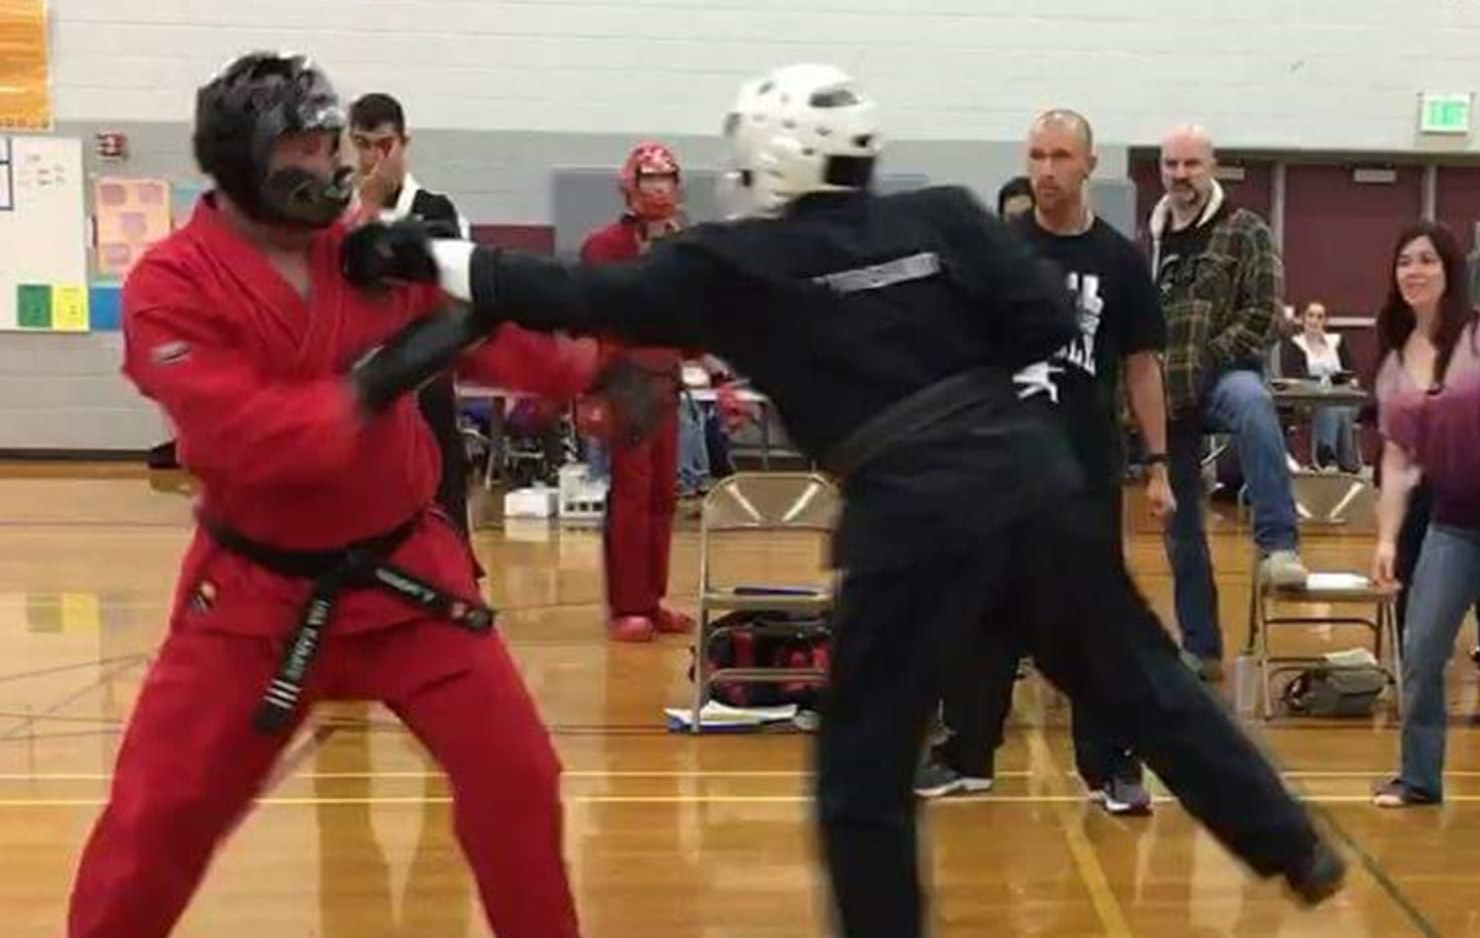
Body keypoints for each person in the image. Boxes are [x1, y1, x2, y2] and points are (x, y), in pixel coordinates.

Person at [345, 62, 1345, 938]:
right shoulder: (947, 215)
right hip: (1029, 475)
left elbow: (568, 292)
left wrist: (411, 251)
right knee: (1141, 681)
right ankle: (1292, 845)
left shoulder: (735, 262)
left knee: (864, 773)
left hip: (909, 514)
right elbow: (1044, 319)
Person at [63, 51, 661, 938]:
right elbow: (243, 432)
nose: (331, 163)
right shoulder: (171, 284)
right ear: (242, 163)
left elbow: (495, 341)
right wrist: (378, 380)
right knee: (158, 822)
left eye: (330, 139)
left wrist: (596, 369)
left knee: (519, 779)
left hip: (405, 575)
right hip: (253, 600)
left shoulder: (367, 246)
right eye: (302, 147)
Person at [915, 110, 1175, 816]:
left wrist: (1157, 462)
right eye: (1036, 155)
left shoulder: (1120, 261)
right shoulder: (1001, 252)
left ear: (1089, 165)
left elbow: (1143, 367)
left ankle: (1110, 765)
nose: (1047, 170)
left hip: (1082, 470)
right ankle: (966, 754)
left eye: (1062, 156)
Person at [1151, 124, 1308, 680]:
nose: (1180, 175)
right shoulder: (1153, 239)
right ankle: (1201, 646)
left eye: (1191, 164)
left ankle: (1280, 545)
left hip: (1222, 376)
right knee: (1180, 527)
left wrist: (1206, 357)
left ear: (1212, 166)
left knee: (1253, 405)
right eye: (1171, 164)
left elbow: (1264, 315)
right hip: (1164, 396)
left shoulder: (1246, 231)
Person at [1369, 222, 1480, 807]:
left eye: (1427, 261)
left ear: (1450, 271)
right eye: (1404, 261)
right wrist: (1387, 540)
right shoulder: (1396, 362)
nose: (1414, 271)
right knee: (1422, 650)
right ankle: (1418, 778)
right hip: (1454, 523)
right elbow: (1397, 459)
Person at [347, 92, 479, 540]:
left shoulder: (437, 210)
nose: (372, 157)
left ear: (404, 143)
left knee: (440, 491)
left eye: (383, 145)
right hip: (359, 378)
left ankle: (456, 577)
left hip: (424, 376)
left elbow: (454, 289)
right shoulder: (337, 213)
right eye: (362, 143)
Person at [579, 142, 695, 641]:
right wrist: (592, 391)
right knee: (631, 492)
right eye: (650, 179)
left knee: (664, 495)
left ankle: (652, 598)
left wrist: (710, 366)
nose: (659, 189)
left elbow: (696, 314)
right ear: (631, 186)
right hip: (624, 378)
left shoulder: (683, 246)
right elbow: (593, 318)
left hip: (668, 377)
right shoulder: (605, 246)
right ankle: (627, 605)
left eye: (667, 179)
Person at [1281, 300, 1361, 471]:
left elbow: (1351, 373)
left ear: (1325, 321)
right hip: (1309, 401)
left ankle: (1326, 454)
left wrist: (1343, 381)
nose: (1315, 320)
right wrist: (1327, 383)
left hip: (1344, 397)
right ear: (1302, 319)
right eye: (1310, 315)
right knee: (1332, 406)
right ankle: (1344, 461)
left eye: (1320, 316)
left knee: (1339, 406)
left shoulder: (1337, 342)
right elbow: (1294, 377)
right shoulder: (1295, 345)